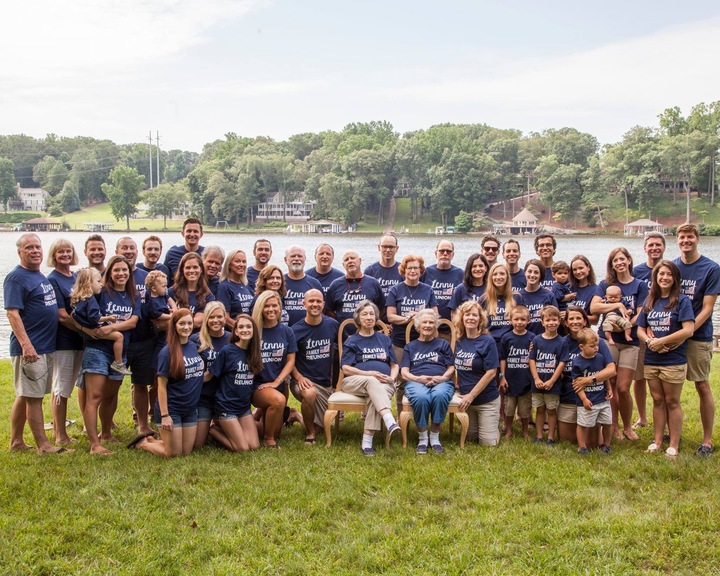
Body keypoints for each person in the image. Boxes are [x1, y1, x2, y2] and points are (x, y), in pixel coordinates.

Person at [5, 233, 64, 454]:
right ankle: (44, 445)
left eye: (37, 247)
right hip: (31, 348)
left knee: (25, 394)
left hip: (45, 346)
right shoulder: (16, 278)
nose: (35, 251)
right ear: (20, 252)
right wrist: (26, 345)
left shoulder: (38, 276)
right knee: (34, 398)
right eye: (29, 247)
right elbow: (12, 314)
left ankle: (16, 442)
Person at [80, 255, 140, 454]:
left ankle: (106, 433)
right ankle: (94, 444)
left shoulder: (134, 295)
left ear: (129, 272)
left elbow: (132, 322)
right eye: (116, 270)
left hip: (119, 353)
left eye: (124, 270)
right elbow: (78, 311)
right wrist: (88, 330)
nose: (121, 273)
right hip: (97, 350)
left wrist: (110, 328)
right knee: (95, 396)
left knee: (111, 395)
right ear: (110, 273)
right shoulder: (100, 292)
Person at [637, 260, 696, 457]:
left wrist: (662, 341)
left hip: (674, 360)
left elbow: (688, 330)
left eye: (669, 274)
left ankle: (674, 444)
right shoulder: (649, 301)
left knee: (672, 401)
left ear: (675, 278)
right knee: (657, 400)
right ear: (655, 277)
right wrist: (649, 341)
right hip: (652, 359)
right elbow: (640, 329)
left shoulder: (682, 301)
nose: (665, 277)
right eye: (661, 274)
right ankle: (657, 441)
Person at [590, 247, 647, 442]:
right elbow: (594, 307)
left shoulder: (640, 285)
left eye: (622, 259)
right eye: (615, 260)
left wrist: (626, 326)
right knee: (611, 385)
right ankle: (613, 426)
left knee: (623, 387)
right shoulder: (606, 284)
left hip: (630, 342)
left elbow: (641, 312)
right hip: (608, 340)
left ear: (629, 260)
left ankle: (628, 427)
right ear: (611, 264)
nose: (619, 263)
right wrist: (618, 305)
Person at [673, 223, 720, 457]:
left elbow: (708, 308)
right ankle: (672, 436)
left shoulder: (711, 268)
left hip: (697, 336)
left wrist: (689, 330)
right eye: (682, 237)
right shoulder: (672, 267)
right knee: (672, 390)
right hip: (673, 336)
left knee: (702, 385)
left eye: (690, 237)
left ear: (697, 239)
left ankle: (707, 440)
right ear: (677, 240)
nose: (686, 241)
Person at [132, 309, 204, 457]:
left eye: (189, 323)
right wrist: (165, 415)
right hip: (172, 410)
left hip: (190, 409)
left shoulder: (194, 346)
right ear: (174, 326)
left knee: (185, 451)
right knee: (173, 454)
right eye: (182, 323)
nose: (186, 327)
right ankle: (143, 444)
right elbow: (161, 386)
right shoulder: (167, 352)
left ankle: (153, 440)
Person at [340, 300, 400, 456]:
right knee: (373, 381)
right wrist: (370, 374)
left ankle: (367, 442)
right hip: (354, 381)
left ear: (376, 317)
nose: (368, 317)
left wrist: (392, 378)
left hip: (383, 383)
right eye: (364, 314)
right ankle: (389, 419)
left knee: (375, 391)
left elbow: (394, 365)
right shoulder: (352, 340)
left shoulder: (384, 339)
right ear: (358, 319)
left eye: (372, 314)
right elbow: (345, 368)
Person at [115, 236, 156, 436]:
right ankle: (106, 427)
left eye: (132, 248)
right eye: (124, 248)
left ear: (137, 251)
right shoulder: (110, 276)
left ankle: (142, 424)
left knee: (140, 383)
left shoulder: (145, 276)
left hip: (143, 339)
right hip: (117, 342)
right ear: (117, 251)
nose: (128, 251)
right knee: (111, 386)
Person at [400, 309, 455, 454]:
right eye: (424, 322)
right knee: (421, 397)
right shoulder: (410, 347)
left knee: (439, 396)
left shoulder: (443, 344)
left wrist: (443, 378)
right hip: (416, 381)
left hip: (441, 381)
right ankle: (423, 438)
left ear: (436, 325)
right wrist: (418, 379)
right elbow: (404, 372)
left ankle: (435, 437)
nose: (428, 325)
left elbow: (451, 368)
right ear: (418, 326)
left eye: (431, 322)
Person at [208, 313, 263, 452]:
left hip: (244, 408)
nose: (245, 330)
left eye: (249, 327)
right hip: (226, 407)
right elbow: (209, 375)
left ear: (253, 331)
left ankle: (233, 430)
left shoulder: (254, 352)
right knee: (243, 449)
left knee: (254, 446)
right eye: (241, 327)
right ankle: (213, 430)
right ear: (236, 331)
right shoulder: (228, 351)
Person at [47, 238, 83, 446]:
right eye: (60, 252)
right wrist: (85, 329)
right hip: (64, 341)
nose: (65, 255)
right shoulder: (53, 280)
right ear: (54, 255)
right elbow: (61, 315)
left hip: (80, 341)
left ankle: (62, 430)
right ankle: (60, 433)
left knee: (70, 385)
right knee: (61, 387)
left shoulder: (75, 276)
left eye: (68, 251)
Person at [291, 289, 339, 444]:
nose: (315, 304)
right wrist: (298, 377)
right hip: (303, 380)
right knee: (310, 394)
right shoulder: (295, 330)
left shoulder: (332, 325)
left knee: (322, 426)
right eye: (311, 301)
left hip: (325, 383)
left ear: (323, 304)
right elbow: (289, 361)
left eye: (318, 301)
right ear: (303, 304)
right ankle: (310, 434)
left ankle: (296, 415)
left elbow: (346, 346)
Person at [251, 290, 298, 448]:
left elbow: (291, 361)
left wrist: (277, 381)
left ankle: (247, 425)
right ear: (260, 308)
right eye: (266, 306)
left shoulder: (287, 331)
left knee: (276, 428)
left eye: (274, 305)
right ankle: (269, 440)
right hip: (255, 385)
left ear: (280, 307)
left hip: (275, 384)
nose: (271, 309)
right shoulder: (254, 331)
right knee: (278, 400)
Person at [629, 233, 665, 430]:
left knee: (663, 377)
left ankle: (665, 420)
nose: (654, 248)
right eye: (650, 245)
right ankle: (642, 417)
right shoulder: (637, 271)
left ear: (663, 247)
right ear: (645, 248)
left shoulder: (669, 269)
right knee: (639, 376)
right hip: (642, 330)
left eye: (658, 245)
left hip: (666, 329)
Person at [558, 306, 607, 445]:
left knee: (592, 442)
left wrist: (587, 380)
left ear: (585, 321)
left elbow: (611, 370)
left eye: (578, 318)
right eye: (571, 319)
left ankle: (601, 430)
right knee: (567, 439)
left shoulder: (596, 341)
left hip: (592, 396)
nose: (575, 321)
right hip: (568, 396)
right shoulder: (561, 342)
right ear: (566, 323)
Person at [454, 300, 500, 446]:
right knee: (470, 438)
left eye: (475, 315)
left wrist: (471, 396)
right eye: (467, 315)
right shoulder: (459, 340)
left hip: (486, 400)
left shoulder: (488, 341)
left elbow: (491, 372)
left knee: (487, 443)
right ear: (461, 318)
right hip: (467, 401)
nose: (471, 318)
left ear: (480, 319)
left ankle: (494, 429)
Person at [71, 268, 132, 376]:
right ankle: (118, 363)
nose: (101, 285)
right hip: (95, 330)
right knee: (119, 337)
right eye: (98, 281)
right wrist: (108, 318)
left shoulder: (81, 298)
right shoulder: (91, 300)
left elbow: (74, 315)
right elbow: (95, 318)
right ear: (88, 283)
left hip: (87, 330)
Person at [191, 301, 230, 447]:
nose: (215, 320)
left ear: (225, 319)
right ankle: (208, 428)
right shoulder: (195, 340)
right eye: (211, 317)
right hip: (204, 398)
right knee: (197, 444)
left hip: (225, 398)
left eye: (219, 317)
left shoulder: (231, 338)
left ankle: (214, 428)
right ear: (206, 318)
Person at [571, 329, 616, 455]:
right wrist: (584, 399)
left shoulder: (600, 358)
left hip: (602, 399)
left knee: (607, 423)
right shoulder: (577, 362)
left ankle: (606, 445)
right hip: (588, 400)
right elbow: (576, 384)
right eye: (592, 346)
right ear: (581, 346)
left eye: (597, 345)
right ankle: (582, 447)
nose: (596, 348)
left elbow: (604, 375)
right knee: (583, 424)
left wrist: (609, 388)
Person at [529, 305, 568, 446]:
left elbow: (562, 363)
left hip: (553, 383)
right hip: (538, 382)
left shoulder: (562, 341)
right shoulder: (536, 340)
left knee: (551, 410)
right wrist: (536, 378)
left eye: (554, 320)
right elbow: (531, 359)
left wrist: (552, 380)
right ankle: (539, 435)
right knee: (539, 409)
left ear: (559, 321)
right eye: (548, 320)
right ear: (542, 322)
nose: (551, 323)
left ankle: (551, 437)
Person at [326, 251, 385, 332]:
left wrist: (373, 321)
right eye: (346, 260)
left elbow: (381, 308)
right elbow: (328, 310)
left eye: (353, 258)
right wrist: (339, 322)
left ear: (360, 261)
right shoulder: (335, 284)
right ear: (343, 265)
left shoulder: (373, 283)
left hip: (368, 333)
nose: (350, 261)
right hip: (343, 335)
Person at [499, 306, 533, 439]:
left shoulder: (532, 338)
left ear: (528, 321)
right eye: (516, 319)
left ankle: (525, 431)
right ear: (510, 320)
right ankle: (508, 430)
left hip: (526, 379)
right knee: (509, 408)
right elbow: (503, 358)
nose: (519, 322)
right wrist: (502, 377)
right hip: (510, 380)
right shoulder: (506, 338)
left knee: (525, 409)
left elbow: (534, 359)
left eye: (523, 319)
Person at [421, 240, 464, 338]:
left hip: (452, 329)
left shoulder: (460, 274)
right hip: (429, 328)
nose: (445, 254)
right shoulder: (426, 272)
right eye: (441, 251)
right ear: (436, 253)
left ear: (453, 254)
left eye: (448, 251)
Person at [169, 252, 215, 331]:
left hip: (195, 339)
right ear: (182, 270)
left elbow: (198, 322)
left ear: (201, 270)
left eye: (195, 267)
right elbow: (160, 322)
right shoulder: (171, 292)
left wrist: (175, 321)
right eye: (188, 267)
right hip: (172, 338)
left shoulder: (208, 296)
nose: (191, 270)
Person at [283, 245, 323, 326]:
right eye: (293, 256)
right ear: (285, 259)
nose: (296, 259)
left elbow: (322, 310)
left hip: (309, 332)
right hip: (285, 331)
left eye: (300, 256)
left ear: (305, 259)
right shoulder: (279, 283)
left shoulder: (315, 283)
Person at [482, 263, 520, 345]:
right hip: (490, 344)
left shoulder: (516, 297)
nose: (498, 277)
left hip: (511, 343)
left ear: (507, 277)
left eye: (502, 274)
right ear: (490, 278)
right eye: (495, 274)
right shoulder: (484, 299)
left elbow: (524, 321)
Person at [145, 270, 177, 370]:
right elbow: (158, 315)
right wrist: (172, 317)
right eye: (163, 286)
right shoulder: (152, 302)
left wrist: (175, 310)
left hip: (169, 324)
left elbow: (171, 300)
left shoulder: (163, 295)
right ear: (154, 288)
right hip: (159, 331)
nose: (166, 288)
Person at [216, 249, 254, 330]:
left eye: (244, 262)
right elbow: (225, 317)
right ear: (229, 265)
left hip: (249, 331)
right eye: (237, 261)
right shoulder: (224, 287)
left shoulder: (246, 286)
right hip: (235, 334)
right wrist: (242, 329)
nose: (241, 264)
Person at [519, 259, 557, 335]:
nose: (532, 275)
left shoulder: (549, 295)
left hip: (544, 340)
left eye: (536, 272)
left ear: (541, 275)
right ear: (525, 273)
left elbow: (555, 321)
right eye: (529, 271)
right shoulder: (518, 296)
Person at [448, 253, 489, 322]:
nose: (478, 269)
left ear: (486, 268)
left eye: (481, 266)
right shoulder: (460, 289)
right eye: (474, 266)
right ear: (469, 269)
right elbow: (454, 314)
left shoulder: (491, 288)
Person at [364, 233, 404, 300]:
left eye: (391, 247)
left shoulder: (403, 270)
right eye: (384, 246)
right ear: (379, 247)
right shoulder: (369, 271)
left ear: (397, 248)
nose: (388, 250)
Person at [568, 255, 599, 323]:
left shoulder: (596, 290)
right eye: (574, 269)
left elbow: (595, 320)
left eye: (581, 268)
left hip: (583, 331)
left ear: (588, 267)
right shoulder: (567, 287)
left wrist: (570, 316)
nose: (578, 272)